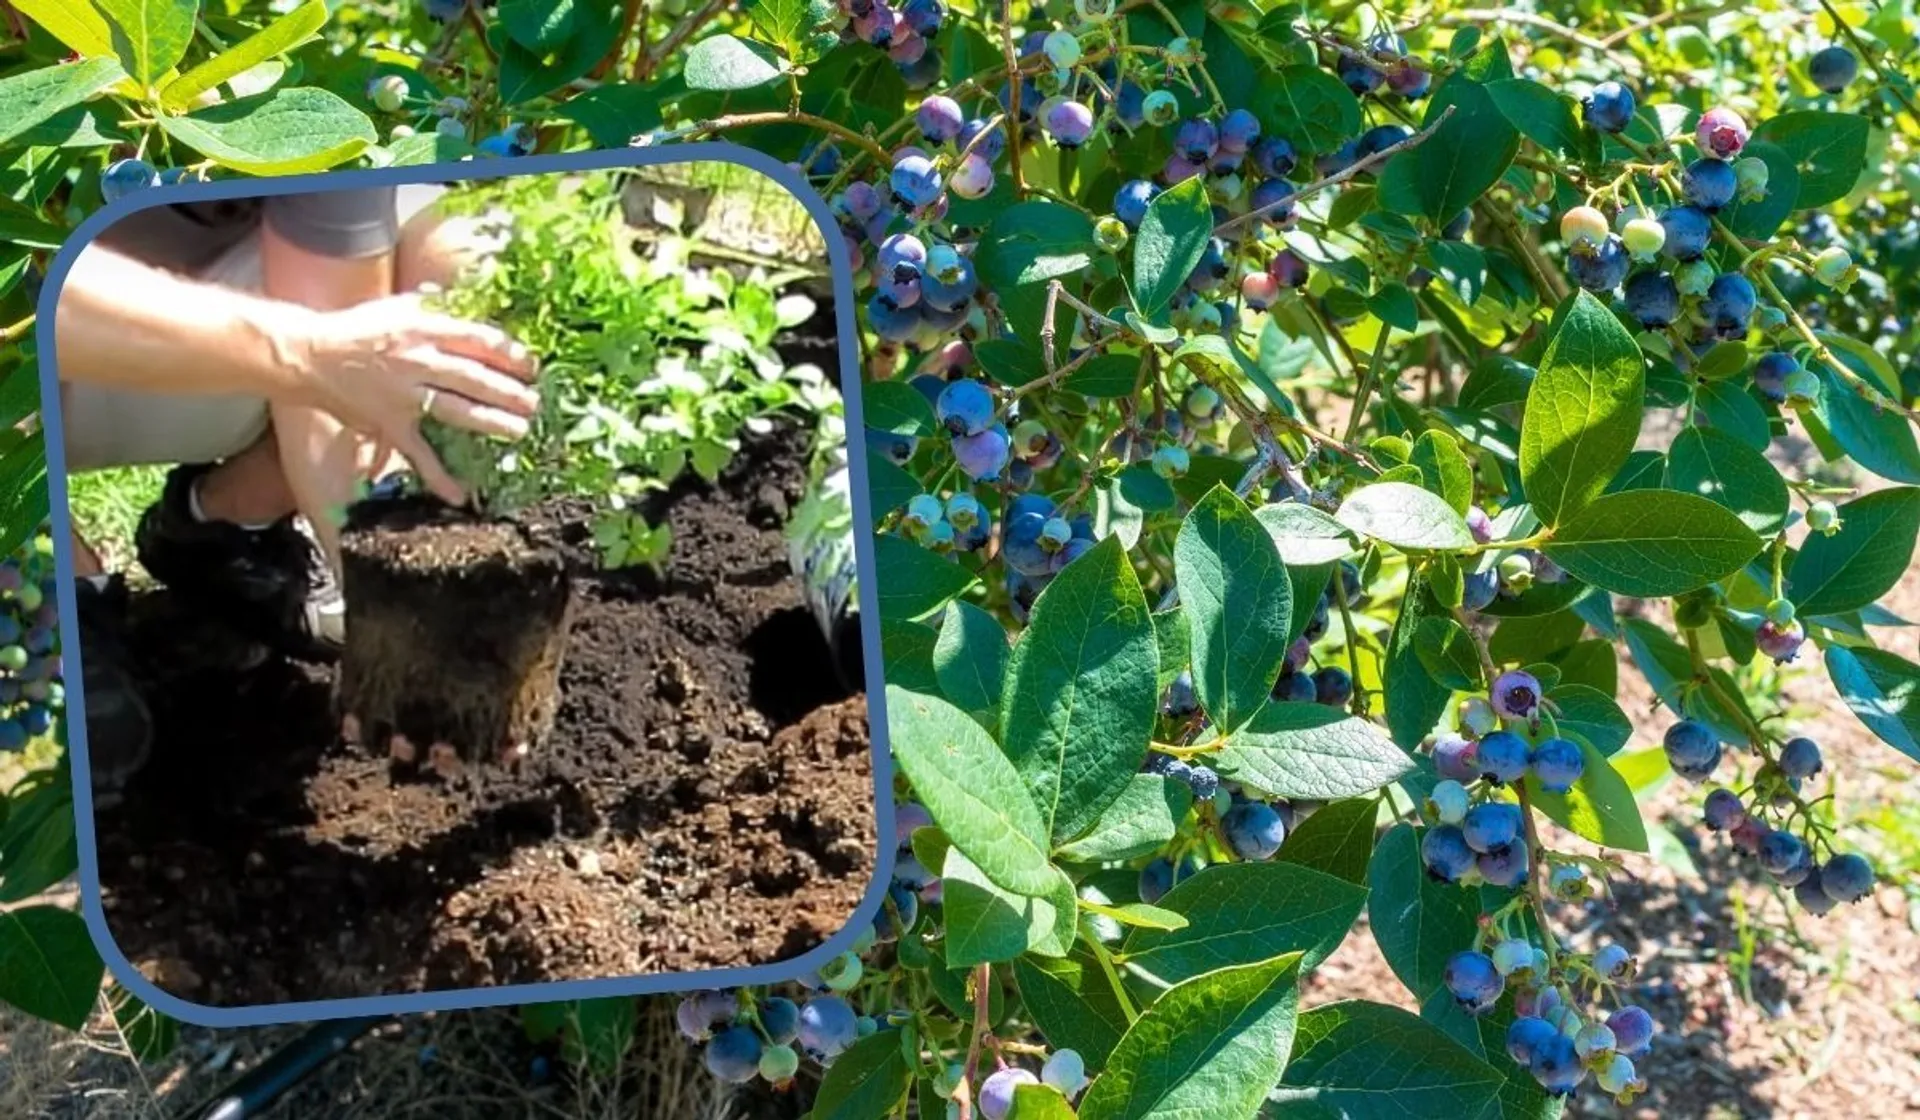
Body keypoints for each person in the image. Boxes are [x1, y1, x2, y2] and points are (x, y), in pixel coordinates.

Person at [51, 184, 538, 788]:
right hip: (40, 363)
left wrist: (405, 616)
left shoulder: (312, 106)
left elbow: (343, 384)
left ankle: (224, 525)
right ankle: (52, 567)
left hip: (195, 336)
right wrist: (302, 352)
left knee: (469, 270)